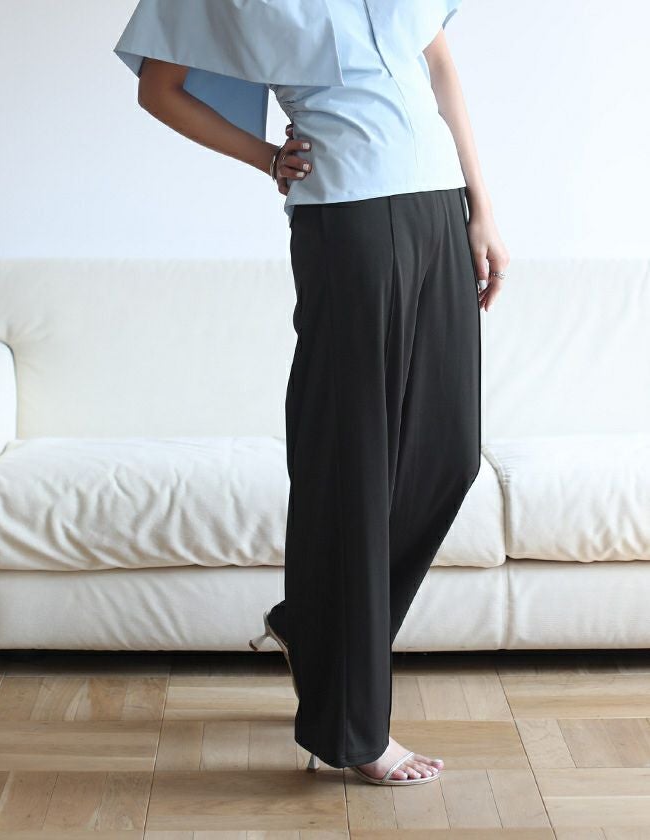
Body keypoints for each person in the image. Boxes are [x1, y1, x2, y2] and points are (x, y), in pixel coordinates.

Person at [114, 0, 509, 786]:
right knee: (353, 465)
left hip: (439, 204)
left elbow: (437, 63)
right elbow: (159, 88)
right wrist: (267, 158)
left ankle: (314, 629)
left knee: (449, 455)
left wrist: (481, 207)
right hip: (346, 214)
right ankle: (351, 729)